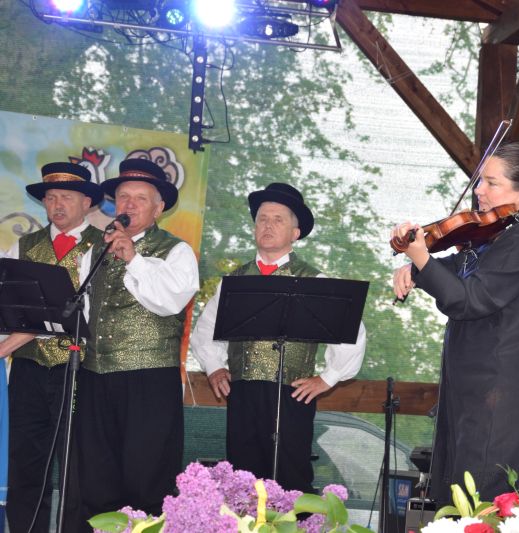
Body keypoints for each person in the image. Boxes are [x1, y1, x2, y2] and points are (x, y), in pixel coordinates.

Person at [391, 141, 519, 504]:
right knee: (462, 498)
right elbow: (463, 267)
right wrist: (417, 267)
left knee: (484, 501)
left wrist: (422, 258)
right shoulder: (504, 231)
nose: (479, 191)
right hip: (478, 390)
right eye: (480, 181)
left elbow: (468, 300)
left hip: (500, 397)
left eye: (492, 183)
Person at [191, 183, 366, 493]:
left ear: (295, 233)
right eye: (262, 218)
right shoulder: (234, 281)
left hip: (292, 395)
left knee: (290, 479)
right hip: (242, 393)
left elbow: (352, 331)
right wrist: (214, 367)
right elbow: (205, 330)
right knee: (242, 481)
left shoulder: (314, 280)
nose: (267, 225)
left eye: (277, 219)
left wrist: (328, 378)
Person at [75, 159, 199, 525]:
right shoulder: (94, 251)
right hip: (96, 376)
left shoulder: (176, 251)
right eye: (122, 197)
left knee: (146, 480)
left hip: (149, 379)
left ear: (158, 209)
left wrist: (133, 258)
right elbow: (86, 309)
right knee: (95, 478)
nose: (128, 204)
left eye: (140, 198)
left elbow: (169, 301)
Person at [0, 162, 104, 533]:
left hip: (78, 370)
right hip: (28, 370)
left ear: (87, 203)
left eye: (66, 197)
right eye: (50, 197)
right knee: (25, 462)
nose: (57, 205)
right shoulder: (23, 246)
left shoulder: (104, 247)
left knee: (77, 463)